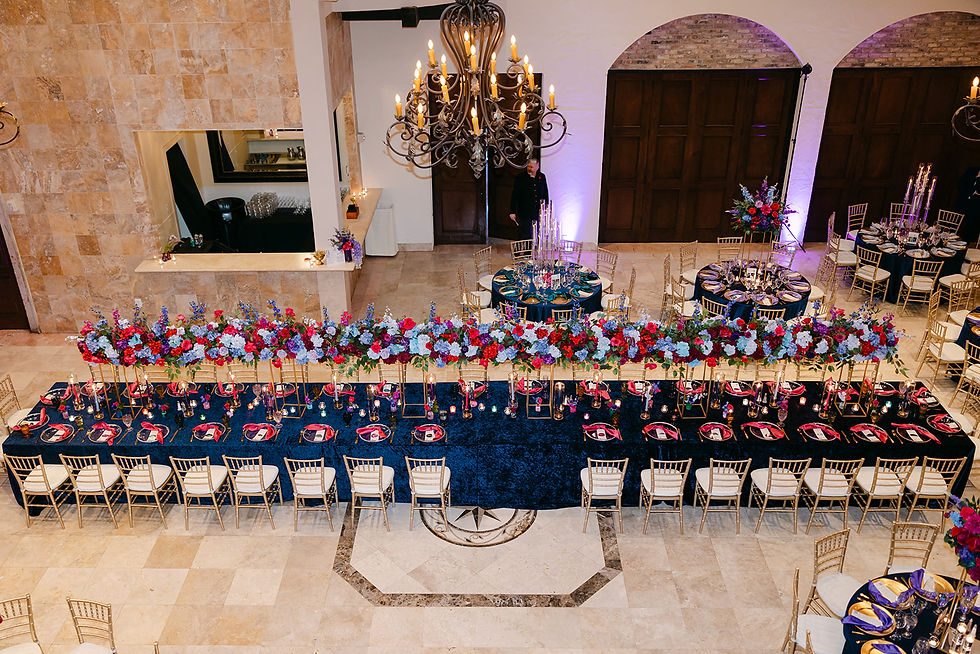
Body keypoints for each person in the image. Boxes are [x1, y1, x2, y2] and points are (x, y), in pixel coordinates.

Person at [509, 158, 549, 240]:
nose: (529, 169)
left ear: (537, 166)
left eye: (532, 167)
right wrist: (512, 211)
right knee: (525, 233)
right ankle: (519, 252)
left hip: (537, 211)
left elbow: (545, 193)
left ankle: (532, 252)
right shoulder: (520, 178)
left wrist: (546, 207)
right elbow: (514, 195)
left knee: (536, 233)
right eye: (528, 166)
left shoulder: (542, 176)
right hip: (524, 212)